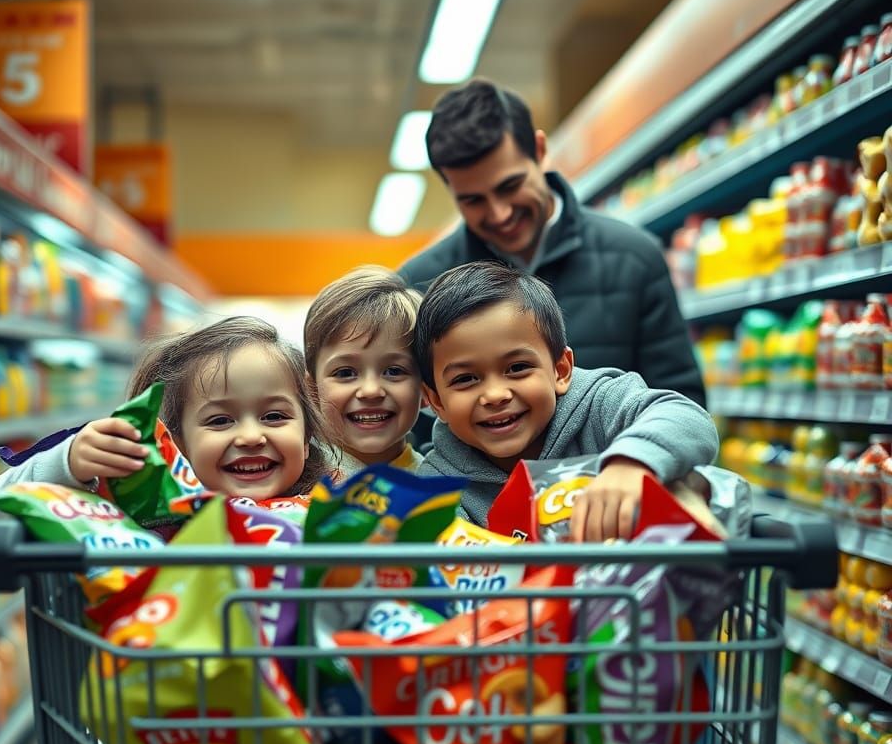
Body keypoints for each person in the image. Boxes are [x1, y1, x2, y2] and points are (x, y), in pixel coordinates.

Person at [399, 78, 705, 408]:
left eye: (510, 186)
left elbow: (680, 401)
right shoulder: (418, 285)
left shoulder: (634, 257)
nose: (499, 213)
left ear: (540, 151)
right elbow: (412, 425)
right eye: (473, 200)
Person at [413, 261, 718, 538]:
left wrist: (632, 463)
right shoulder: (439, 482)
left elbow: (686, 417)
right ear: (437, 401)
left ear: (561, 370)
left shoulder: (600, 405)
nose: (495, 395)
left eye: (517, 368)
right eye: (465, 379)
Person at [0, 316, 334, 529]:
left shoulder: (334, 511)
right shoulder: (140, 516)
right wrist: (67, 463)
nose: (252, 436)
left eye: (274, 416)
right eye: (220, 420)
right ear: (175, 445)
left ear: (306, 437)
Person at [303, 267, 424, 478]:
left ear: (427, 389)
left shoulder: (442, 489)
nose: (370, 390)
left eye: (394, 371)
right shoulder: (289, 481)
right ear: (312, 390)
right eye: (345, 373)